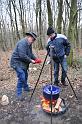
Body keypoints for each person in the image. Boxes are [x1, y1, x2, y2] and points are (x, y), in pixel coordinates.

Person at [10, 32, 41, 100]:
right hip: (16, 62)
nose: (33, 41)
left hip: (23, 63)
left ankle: (26, 88)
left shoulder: (29, 44)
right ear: (28, 37)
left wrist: (36, 59)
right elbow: (22, 55)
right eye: (32, 39)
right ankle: (19, 94)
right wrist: (31, 61)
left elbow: (30, 54)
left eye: (34, 40)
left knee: (25, 75)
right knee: (22, 77)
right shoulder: (22, 43)